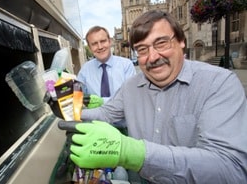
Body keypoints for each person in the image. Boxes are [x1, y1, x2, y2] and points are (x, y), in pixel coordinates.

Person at [59, 10, 247, 183]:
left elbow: (231, 169)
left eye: (161, 43)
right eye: (142, 49)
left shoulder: (219, 84)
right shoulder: (131, 87)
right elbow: (106, 113)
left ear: (181, 41)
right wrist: (67, 108)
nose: (153, 56)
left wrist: (132, 153)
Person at [77, 26, 136, 106]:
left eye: (103, 41)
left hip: (121, 118)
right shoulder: (85, 70)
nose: (100, 47)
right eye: (94, 44)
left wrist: (102, 102)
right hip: (94, 117)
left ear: (110, 42)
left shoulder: (126, 65)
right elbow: (77, 97)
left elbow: (130, 98)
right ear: (90, 48)